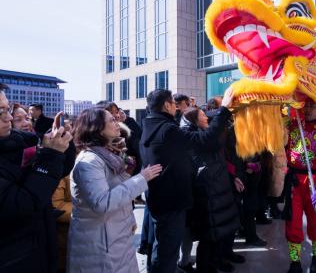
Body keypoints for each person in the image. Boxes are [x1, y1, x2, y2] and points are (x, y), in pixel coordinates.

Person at [140, 88, 234, 273]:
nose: (177, 107)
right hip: (171, 203)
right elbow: (204, 139)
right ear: (167, 105)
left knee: (163, 249)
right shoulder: (167, 130)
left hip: (161, 199)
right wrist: (224, 109)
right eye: (174, 103)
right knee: (167, 253)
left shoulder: (150, 126)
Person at [67, 108, 162, 273]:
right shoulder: (89, 161)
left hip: (114, 238)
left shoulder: (107, 155)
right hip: (101, 243)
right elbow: (102, 203)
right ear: (96, 127)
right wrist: (141, 179)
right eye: (111, 120)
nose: (117, 123)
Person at [0, 83, 73, 273]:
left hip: (39, 245)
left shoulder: (19, 144)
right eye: (1, 112)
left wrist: (62, 143)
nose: (7, 117)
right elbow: (23, 204)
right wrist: (50, 156)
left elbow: (58, 172)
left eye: (7, 109)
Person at [181, 107, 241, 273]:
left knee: (216, 237)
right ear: (194, 120)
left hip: (216, 191)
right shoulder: (191, 135)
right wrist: (223, 112)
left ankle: (214, 264)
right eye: (202, 115)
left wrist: (231, 178)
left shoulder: (201, 132)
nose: (206, 117)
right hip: (206, 195)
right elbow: (210, 140)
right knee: (208, 239)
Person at [284, 99, 316, 273]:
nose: (309, 108)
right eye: (307, 105)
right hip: (293, 181)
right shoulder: (293, 124)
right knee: (292, 220)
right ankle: (294, 261)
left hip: (314, 182)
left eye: (313, 106)